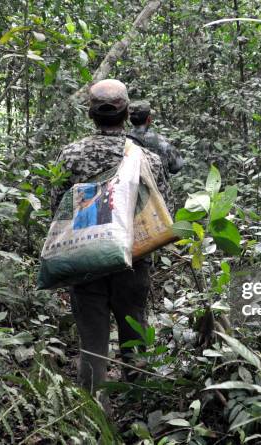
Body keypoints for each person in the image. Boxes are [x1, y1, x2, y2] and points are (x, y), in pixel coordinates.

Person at [50, 79, 170, 397]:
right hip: (134, 259)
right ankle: (140, 410)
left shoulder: (70, 157)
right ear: (127, 113)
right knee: (136, 335)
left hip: (85, 259)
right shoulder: (149, 160)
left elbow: (56, 210)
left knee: (92, 345)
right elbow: (162, 212)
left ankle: (94, 417)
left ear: (90, 115)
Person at [128, 100, 184, 175]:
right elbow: (177, 166)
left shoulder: (124, 139)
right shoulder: (160, 142)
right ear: (149, 119)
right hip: (155, 186)